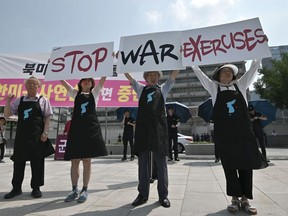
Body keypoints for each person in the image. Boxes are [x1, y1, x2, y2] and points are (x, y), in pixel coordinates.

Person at [191, 58, 269, 214]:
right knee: (230, 166)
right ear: (218, 76)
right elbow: (199, 73)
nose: (226, 74)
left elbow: (253, 68)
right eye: (223, 72)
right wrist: (190, 59)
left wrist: (260, 50)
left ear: (233, 76)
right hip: (225, 134)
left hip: (243, 132)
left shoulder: (240, 85)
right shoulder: (213, 88)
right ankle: (234, 198)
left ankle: (246, 199)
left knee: (246, 164)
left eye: (229, 72)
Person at [124, 69, 180, 208]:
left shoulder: (163, 88)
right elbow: (129, 76)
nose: (153, 77)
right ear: (146, 78)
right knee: (143, 163)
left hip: (159, 130)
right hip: (143, 130)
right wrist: (120, 61)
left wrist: (180, 59)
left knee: (161, 163)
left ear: (158, 77)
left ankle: (163, 195)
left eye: (155, 75)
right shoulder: (140, 89)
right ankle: (142, 194)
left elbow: (173, 75)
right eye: (150, 75)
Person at [4, 76, 53, 199]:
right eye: (29, 84)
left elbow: (47, 118)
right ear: (25, 86)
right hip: (22, 137)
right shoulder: (20, 100)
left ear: (38, 87)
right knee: (18, 162)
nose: (32, 86)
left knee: (37, 163)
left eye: (34, 84)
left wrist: (45, 133)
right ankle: (16, 188)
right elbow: (7, 114)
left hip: (37, 136)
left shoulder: (43, 100)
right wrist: (8, 101)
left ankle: (36, 188)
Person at [60, 77, 107, 203]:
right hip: (76, 130)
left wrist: (109, 59)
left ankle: (85, 190)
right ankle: (74, 190)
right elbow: (63, 82)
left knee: (87, 160)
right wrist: (54, 67)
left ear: (92, 84)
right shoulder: (75, 94)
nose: (86, 81)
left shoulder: (95, 93)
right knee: (74, 161)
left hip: (90, 130)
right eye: (84, 80)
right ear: (80, 83)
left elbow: (103, 79)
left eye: (89, 80)